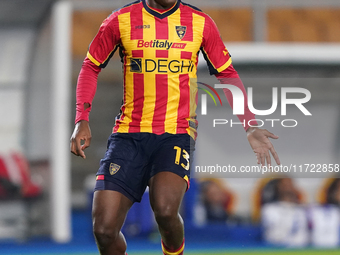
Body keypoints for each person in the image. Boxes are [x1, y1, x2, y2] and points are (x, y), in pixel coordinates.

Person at [70, 0, 281, 254]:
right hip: (128, 135)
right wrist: (82, 119)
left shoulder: (200, 23)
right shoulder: (120, 20)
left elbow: (227, 74)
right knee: (104, 230)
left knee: (166, 211)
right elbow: (90, 66)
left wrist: (249, 124)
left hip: (175, 133)